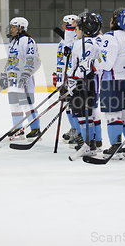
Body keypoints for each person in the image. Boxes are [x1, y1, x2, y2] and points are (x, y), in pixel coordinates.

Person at [94, 8, 125, 159]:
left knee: (112, 113)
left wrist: (93, 62)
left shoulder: (111, 36)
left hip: (112, 80)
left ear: (117, 20)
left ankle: (116, 146)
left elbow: (106, 63)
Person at [0, 17, 41, 141]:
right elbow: (10, 61)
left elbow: (31, 58)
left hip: (24, 80)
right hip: (13, 80)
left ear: (21, 28)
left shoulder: (28, 41)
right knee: (14, 105)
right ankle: (18, 129)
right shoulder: (12, 43)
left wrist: (26, 74)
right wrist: (4, 74)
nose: (11, 29)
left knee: (27, 105)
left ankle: (35, 129)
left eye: (13, 27)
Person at [66, 13, 102, 156]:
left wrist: (74, 79)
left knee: (84, 114)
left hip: (85, 82)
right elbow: (75, 63)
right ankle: (89, 142)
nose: (76, 31)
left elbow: (84, 65)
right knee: (85, 114)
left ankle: (88, 143)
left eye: (78, 28)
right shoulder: (82, 43)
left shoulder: (89, 44)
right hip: (83, 82)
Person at [53, 14, 81, 145]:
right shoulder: (63, 41)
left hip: (72, 79)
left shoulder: (76, 41)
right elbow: (61, 62)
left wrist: (66, 78)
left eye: (65, 23)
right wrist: (58, 76)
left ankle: (79, 131)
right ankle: (74, 129)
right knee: (69, 106)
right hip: (64, 78)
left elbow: (71, 62)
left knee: (74, 106)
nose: (63, 26)